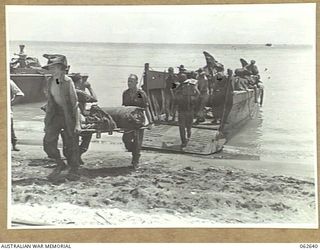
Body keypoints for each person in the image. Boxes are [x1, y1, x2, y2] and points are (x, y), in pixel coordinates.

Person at [42, 54, 81, 181]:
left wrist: (77, 124)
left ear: (60, 68)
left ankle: (74, 168)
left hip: (68, 115)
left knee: (71, 144)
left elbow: (75, 104)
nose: (51, 70)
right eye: (50, 68)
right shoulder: (49, 81)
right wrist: (47, 121)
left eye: (53, 67)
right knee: (48, 142)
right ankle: (60, 162)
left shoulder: (68, 81)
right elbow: (50, 102)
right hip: (55, 115)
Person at [61, 73, 98, 165]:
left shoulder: (65, 91)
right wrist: (89, 87)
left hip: (65, 119)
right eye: (82, 80)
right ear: (79, 82)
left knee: (67, 139)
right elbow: (94, 99)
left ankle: (73, 156)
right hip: (77, 118)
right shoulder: (79, 92)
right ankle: (78, 154)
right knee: (88, 133)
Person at [122, 74, 151, 169]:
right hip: (128, 120)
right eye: (128, 81)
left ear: (136, 83)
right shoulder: (125, 93)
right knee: (125, 139)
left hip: (139, 120)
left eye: (131, 81)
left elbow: (146, 108)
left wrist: (150, 122)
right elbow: (123, 108)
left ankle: (135, 161)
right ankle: (133, 150)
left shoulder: (140, 94)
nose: (129, 83)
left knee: (138, 141)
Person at [175, 74, 200, 148]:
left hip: (190, 109)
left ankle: (188, 133)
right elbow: (175, 95)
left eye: (182, 78)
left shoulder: (191, 86)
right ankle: (183, 141)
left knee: (189, 126)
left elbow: (198, 94)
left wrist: (194, 95)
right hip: (181, 110)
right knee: (181, 126)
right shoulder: (179, 87)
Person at [10, 79, 24, 151]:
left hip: (6, 111)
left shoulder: (9, 82)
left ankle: (14, 145)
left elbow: (20, 94)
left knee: (10, 128)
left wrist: (10, 103)